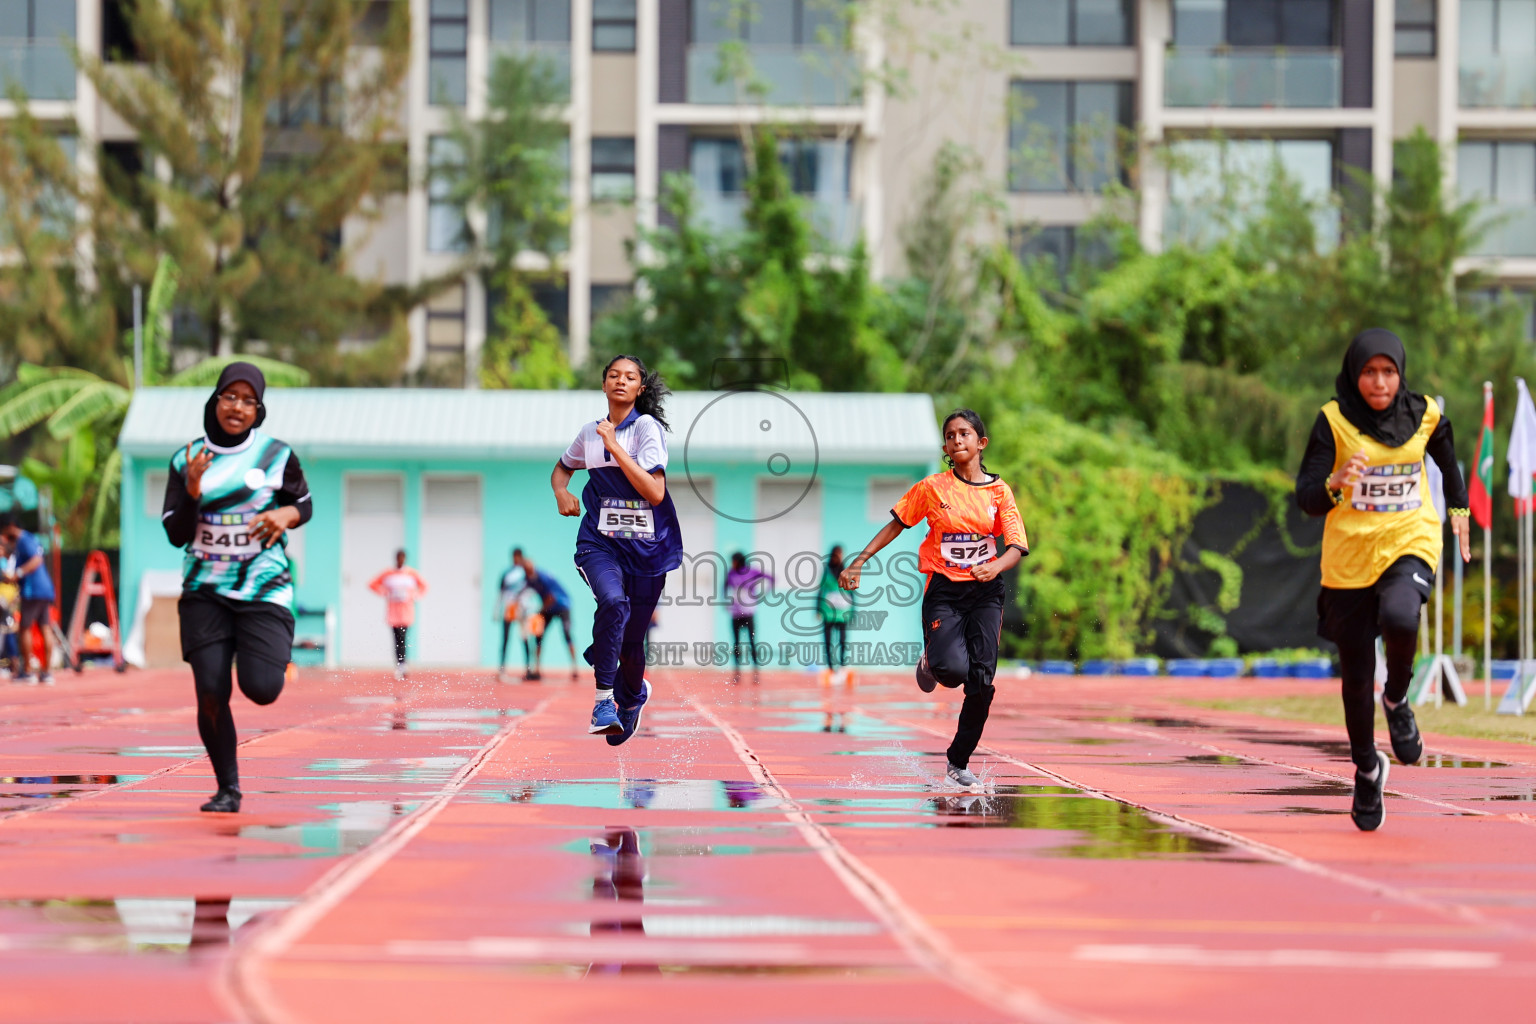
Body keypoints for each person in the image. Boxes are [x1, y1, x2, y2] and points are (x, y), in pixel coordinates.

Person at [1295, 328, 1470, 832]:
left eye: (1388, 371)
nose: (1379, 381)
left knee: (1400, 614)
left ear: (1400, 373)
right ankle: (1368, 768)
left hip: (1407, 539)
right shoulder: (1333, 422)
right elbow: (1306, 496)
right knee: (1353, 677)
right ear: (1355, 374)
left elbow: (1446, 455)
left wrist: (1458, 506)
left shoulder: (1425, 414)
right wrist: (1333, 485)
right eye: (1369, 372)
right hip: (1350, 555)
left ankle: (1396, 698)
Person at [838, 409, 1028, 789]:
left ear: (981, 443)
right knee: (952, 672)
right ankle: (931, 659)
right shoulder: (933, 488)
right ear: (945, 446)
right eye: (951, 436)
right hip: (945, 590)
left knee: (982, 681)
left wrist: (996, 568)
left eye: (965, 434)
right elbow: (897, 523)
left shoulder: (998, 491)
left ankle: (959, 762)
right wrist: (859, 561)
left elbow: (1017, 545)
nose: (957, 441)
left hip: (986, 592)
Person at [162, 362, 312, 814]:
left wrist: (284, 516)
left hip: (263, 588)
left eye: (249, 400)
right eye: (231, 397)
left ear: (258, 410)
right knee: (210, 690)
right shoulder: (186, 458)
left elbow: (302, 503)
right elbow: (176, 533)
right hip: (205, 590)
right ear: (215, 400)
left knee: (262, 688)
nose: (238, 407)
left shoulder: (276, 456)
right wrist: (191, 489)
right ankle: (228, 788)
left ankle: (271, 652)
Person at [551, 354, 682, 745]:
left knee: (631, 641)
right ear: (604, 384)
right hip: (600, 545)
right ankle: (603, 702)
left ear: (640, 388)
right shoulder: (589, 434)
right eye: (613, 375)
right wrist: (561, 491)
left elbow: (655, 492)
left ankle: (633, 696)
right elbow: (562, 468)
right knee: (612, 604)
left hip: (647, 551)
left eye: (629, 377)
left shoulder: (646, 429)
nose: (620, 381)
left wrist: (614, 444)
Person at [0, 514, 56, 684]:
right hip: (45, 588)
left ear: (10, 526)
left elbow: (37, 560)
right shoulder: (29, 539)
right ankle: (46, 673)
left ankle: (28, 672)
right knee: (45, 627)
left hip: (33, 590)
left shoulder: (24, 539)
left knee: (25, 627)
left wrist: (18, 574)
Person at [512, 551, 576, 680]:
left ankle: (574, 667)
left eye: (529, 570)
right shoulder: (528, 579)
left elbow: (551, 598)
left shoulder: (543, 577)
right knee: (538, 635)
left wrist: (540, 611)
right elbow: (522, 593)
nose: (527, 572)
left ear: (533, 568)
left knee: (566, 633)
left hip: (562, 605)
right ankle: (537, 668)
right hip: (548, 608)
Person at [369, 551, 427, 680]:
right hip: (393, 612)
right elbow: (372, 584)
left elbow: (424, 586)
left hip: (406, 612)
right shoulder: (388, 573)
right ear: (395, 559)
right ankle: (400, 664)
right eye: (398, 558)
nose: (400, 560)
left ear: (405, 559)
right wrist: (385, 593)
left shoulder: (411, 574)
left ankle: (402, 664)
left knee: (402, 638)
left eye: (402, 558)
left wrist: (415, 595)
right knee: (397, 639)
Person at [723, 552, 772, 682]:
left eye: (733, 561)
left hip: (749, 613)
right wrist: (725, 601)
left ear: (739, 561)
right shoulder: (731, 573)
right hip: (735, 613)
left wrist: (764, 593)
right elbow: (724, 586)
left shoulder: (751, 572)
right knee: (736, 643)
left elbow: (771, 578)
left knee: (751, 642)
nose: (732, 564)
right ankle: (737, 672)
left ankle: (756, 672)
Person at [818, 545, 854, 677]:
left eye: (841, 554)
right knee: (827, 640)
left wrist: (853, 611)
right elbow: (820, 589)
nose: (839, 556)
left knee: (843, 639)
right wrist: (817, 609)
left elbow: (852, 591)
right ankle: (830, 667)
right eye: (838, 554)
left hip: (843, 612)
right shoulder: (826, 571)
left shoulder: (846, 570)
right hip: (828, 611)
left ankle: (843, 666)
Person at [497, 549, 531, 680]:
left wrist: (528, 606)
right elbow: (500, 592)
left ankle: (528, 668)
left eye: (518, 557)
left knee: (524, 637)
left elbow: (531, 589)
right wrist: (497, 610)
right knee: (505, 638)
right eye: (514, 557)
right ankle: (502, 668)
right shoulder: (507, 572)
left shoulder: (525, 572)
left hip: (522, 608)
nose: (515, 559)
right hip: (509, 607)